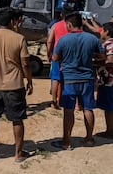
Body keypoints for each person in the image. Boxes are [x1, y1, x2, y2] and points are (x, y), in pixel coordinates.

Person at [0, 7, 33, 162]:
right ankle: (18, 153)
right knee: (17, 119)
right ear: (12, 21)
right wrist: (29, 80)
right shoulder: (19, 38)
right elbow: (25, 64)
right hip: (15, 85)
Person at [51, 12, 105, 150]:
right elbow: (102, 56)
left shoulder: (63, 40)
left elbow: (55, 58)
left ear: (69, 24)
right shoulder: (92, 39)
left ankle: (66, 142)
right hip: (87, 79)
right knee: (88, 109)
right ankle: (89, 138)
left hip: (69, 79)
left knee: (68, 111)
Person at [46, 8, 72, 110]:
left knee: (55, 78)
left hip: (57, 53)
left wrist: (49, 53)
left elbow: (49, 41)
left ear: (61, 15)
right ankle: (75, 103)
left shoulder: (56, 25)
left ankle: (54, 101)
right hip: (69, 54)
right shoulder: (72, 26)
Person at [96, 22, 113, 138]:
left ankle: (110, 131)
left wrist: (96, 63)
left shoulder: (109, 44)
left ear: (106, 32)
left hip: (109, 80)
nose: (100, 32)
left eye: (102, 30)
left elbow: (110, 60)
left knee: (109, 108)